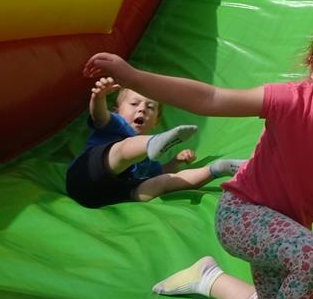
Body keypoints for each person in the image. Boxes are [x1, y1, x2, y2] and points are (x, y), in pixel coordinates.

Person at [83, 9, 313, 299]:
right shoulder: (289, 101)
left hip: (287, 232)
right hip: (242, 214)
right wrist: (133, 77)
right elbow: (211, 98)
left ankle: (209, 278)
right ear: (311, 66)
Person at [66, 78, 243, 208]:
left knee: (163, 182)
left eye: (150, 107)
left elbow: (160, 172)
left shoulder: (149, 157)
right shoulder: (114, 123)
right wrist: (98, 98)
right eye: (134, 104)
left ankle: (217, 169)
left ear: (156, 121)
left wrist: (175, 162)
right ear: (116, 110)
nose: (142, 109)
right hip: (84, 178)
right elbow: (99, 116)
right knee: (123, 150)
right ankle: (152, 142)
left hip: (113, 197)